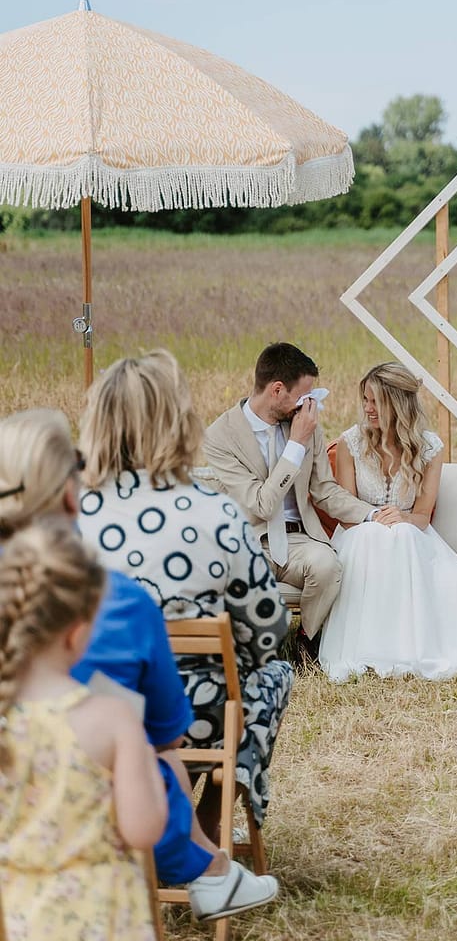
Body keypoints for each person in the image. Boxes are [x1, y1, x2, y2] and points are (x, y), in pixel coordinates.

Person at [0, 407, 278, 926]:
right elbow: (167, 737)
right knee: (155, 750)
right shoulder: (118, 601)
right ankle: (210, 869)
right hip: (90, 833)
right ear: (70, 494)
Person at [78, 349, 293, 835]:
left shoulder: (72, 516)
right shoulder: (215, 514)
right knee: (273, 674)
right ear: (178, 423)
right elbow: (269, 630)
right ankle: (208, 821)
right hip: (195, 714)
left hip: (89, 709)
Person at [0, 516, 168, 941]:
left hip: (17, 921)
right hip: (100, 924)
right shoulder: (111, 718)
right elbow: (143, 830)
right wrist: (149, 767)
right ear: (77, 631)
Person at [318, 362, 457, 682]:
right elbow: (346, 511)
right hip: (358, 532)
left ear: (397, 405)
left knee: (402, 534)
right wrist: (375, 520)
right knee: (374, 537)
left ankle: (406, 650)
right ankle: (367, 650)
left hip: (412, 534)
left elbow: (421, 514)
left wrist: (400, 518)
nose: (368, 409)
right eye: (365, 400)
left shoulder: (429, 448)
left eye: (376, 402)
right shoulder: (351, 443)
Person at [204, 342, 376, 648]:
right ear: (277, 390)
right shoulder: (220, 436)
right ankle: (257, 646)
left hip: (300, 538)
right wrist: (295, 445)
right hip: (250, 539)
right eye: (303, 395)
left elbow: (324, 490)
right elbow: (261, 503)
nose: (308, 404)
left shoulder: (306, 426)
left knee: (328, 566)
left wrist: (372, 514)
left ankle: (307, 640)